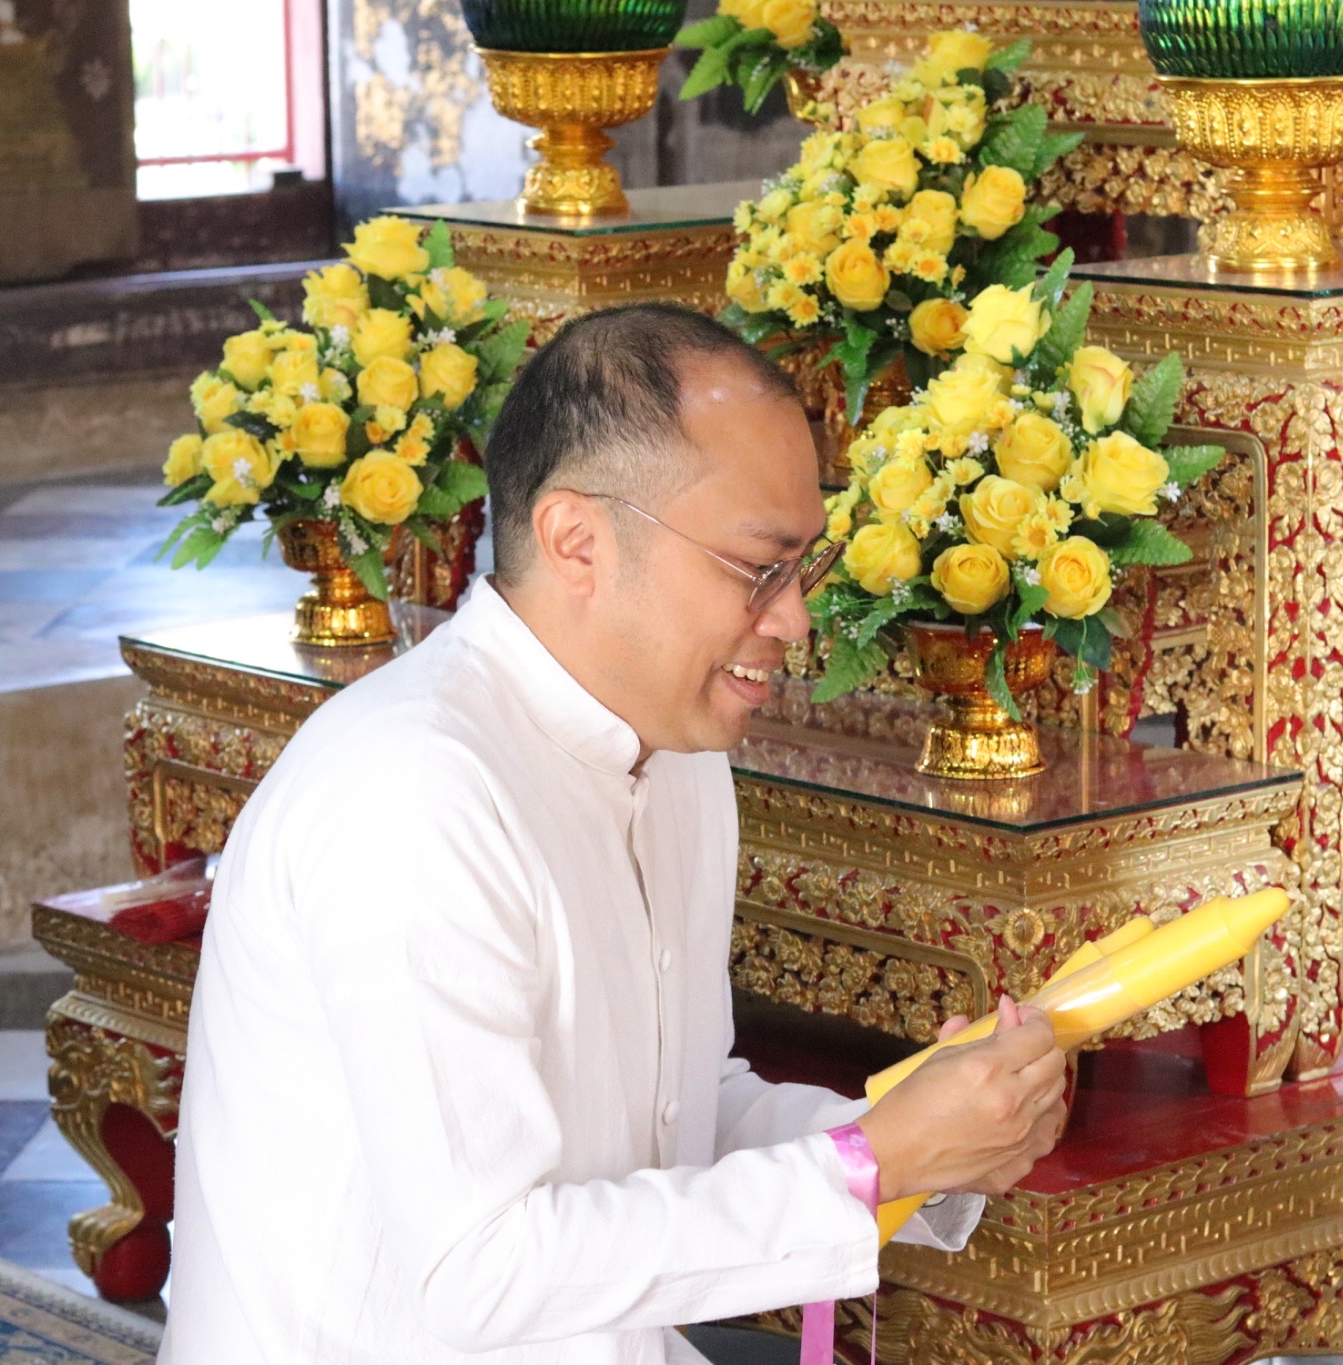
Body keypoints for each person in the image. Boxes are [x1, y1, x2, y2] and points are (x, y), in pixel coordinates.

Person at [161, 303, 1068, 1363]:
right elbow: (479, 1272)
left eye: (801, 569)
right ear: (577, 541)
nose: (792, 621)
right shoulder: (412, 793)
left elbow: (665, 1114)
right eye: (753, 568)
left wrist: (918, 1138)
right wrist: (864, 1167)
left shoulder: (674, 757)